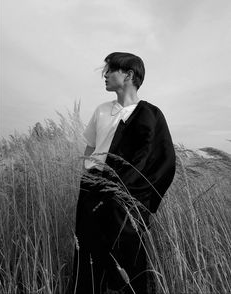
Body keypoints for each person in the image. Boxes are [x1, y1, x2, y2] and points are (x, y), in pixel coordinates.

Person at [69, 52, 176, 294]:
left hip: (128, 194)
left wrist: (139, 197)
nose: (105, 75)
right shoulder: (102, 110)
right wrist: (87, 180)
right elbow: (90, 148)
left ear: (128, 75)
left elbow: (164, 161)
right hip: (94, 188)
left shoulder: (151, 114)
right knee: (88, 251)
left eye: (110, 70)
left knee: (128, 253)